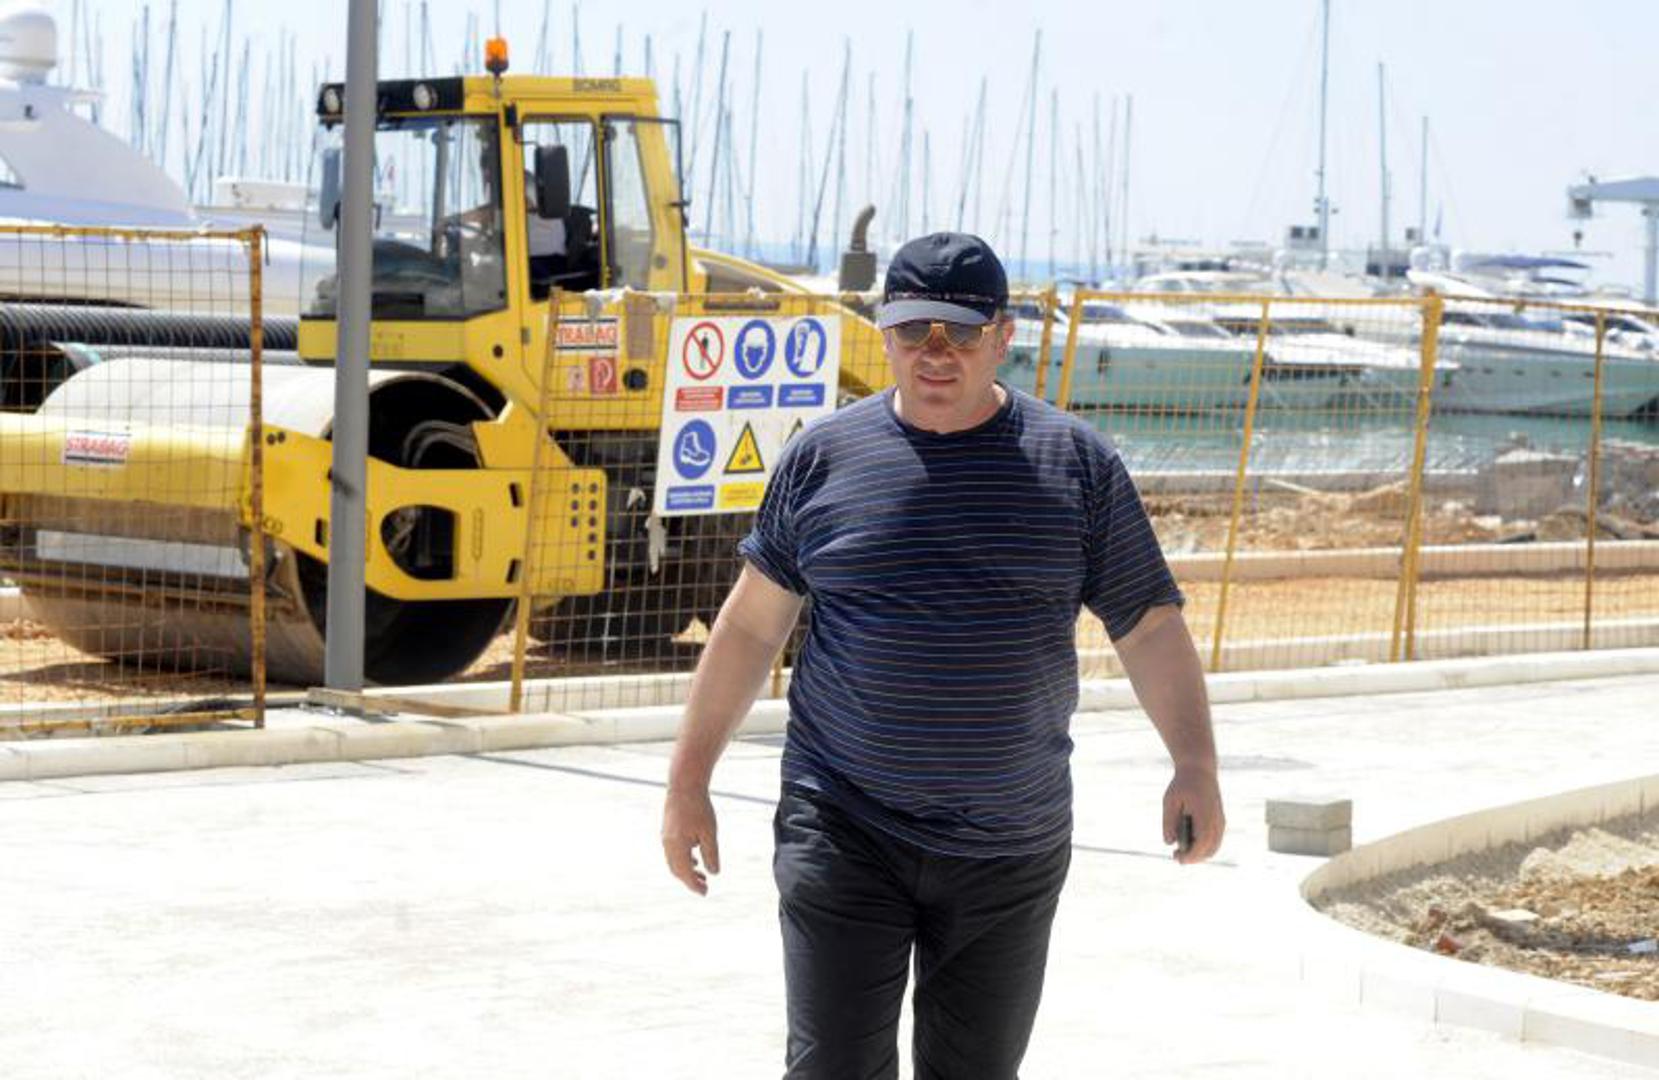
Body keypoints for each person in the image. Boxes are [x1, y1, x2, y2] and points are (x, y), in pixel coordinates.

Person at [661, 232, 1225, 1079]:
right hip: (843, 823)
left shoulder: (1075, 466)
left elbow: (1146, 626)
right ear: (882, 333)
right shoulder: (821, 459)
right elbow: (749, 629)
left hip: (1009, 845)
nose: (935, 352)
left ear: (1002, 338)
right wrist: (686, 783)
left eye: (959, 331)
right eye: (912, 329)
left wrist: (1195, 766)